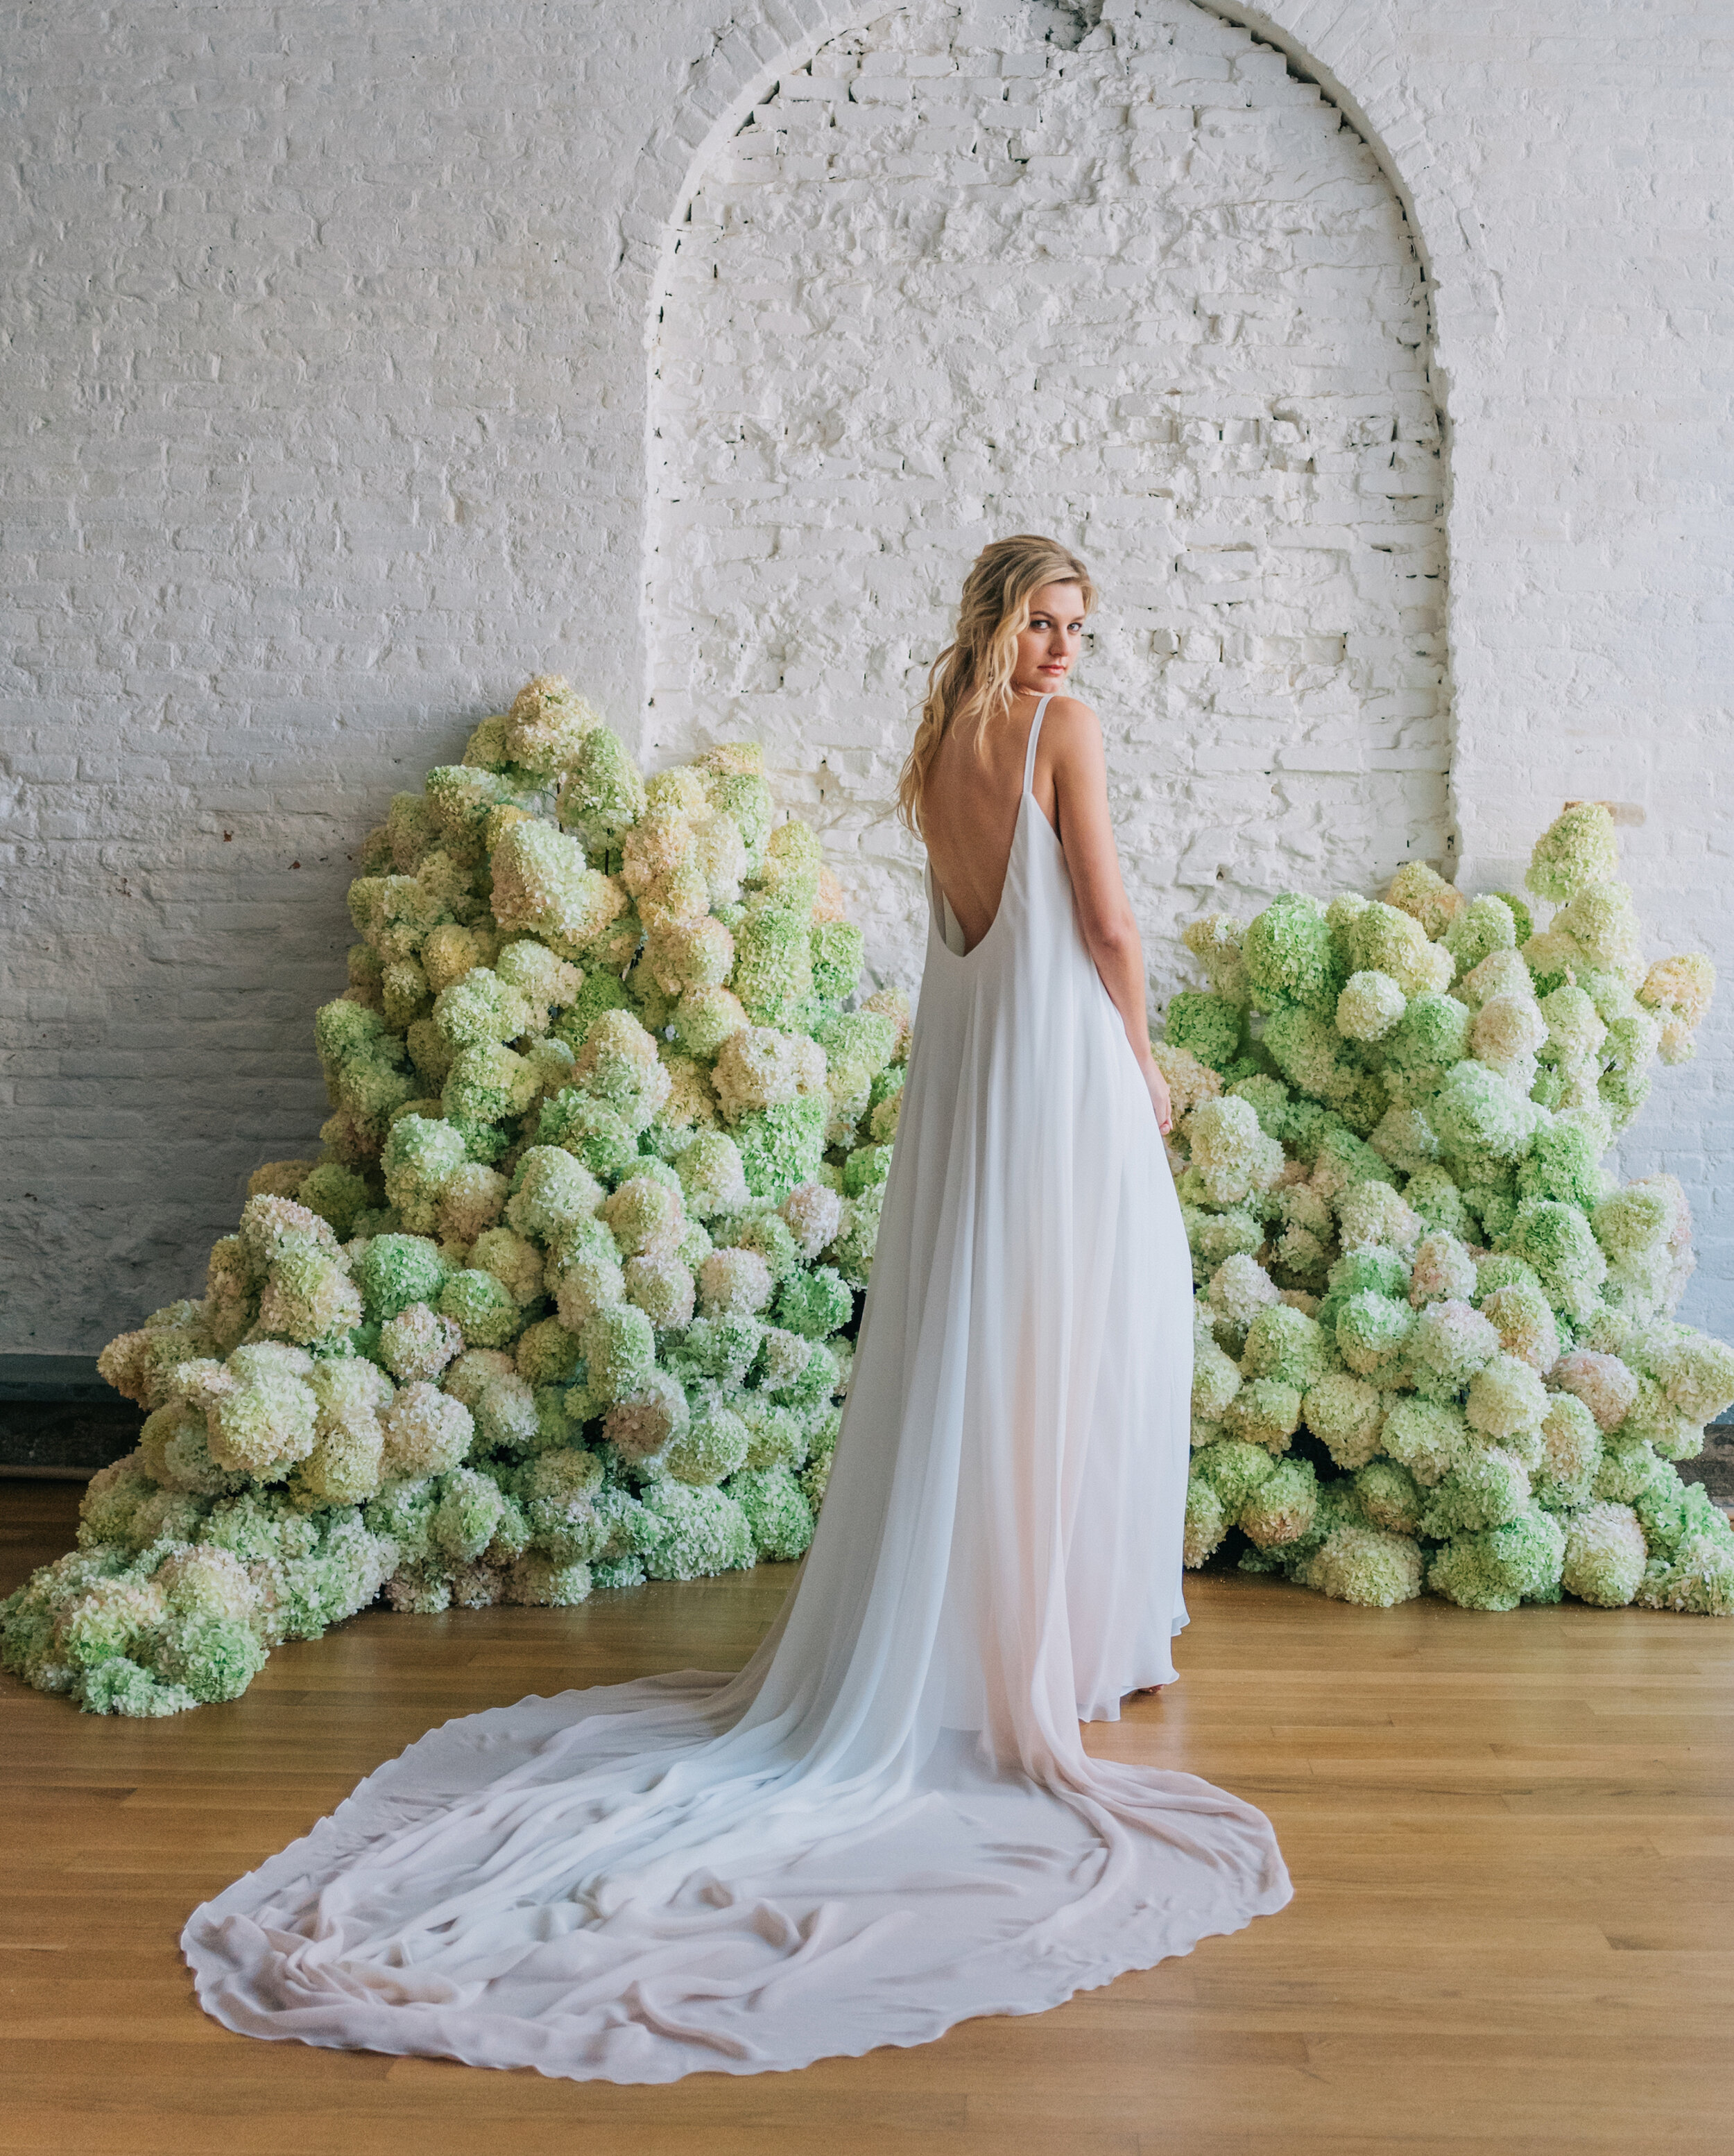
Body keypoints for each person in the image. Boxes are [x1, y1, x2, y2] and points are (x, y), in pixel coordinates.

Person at [182, 534, 1291, 2082]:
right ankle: (1063, 1642)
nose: (1063, 647)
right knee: (1092, 1326)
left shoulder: (936, 750)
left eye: (1078, 626)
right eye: (1044, 618)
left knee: (1001, 1330)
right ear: (996, 618)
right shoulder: (1059, 735)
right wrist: (1146, 1055)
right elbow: (1103, 921)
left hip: (981, 1085)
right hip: (1059, 1073)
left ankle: (1028, 1633)